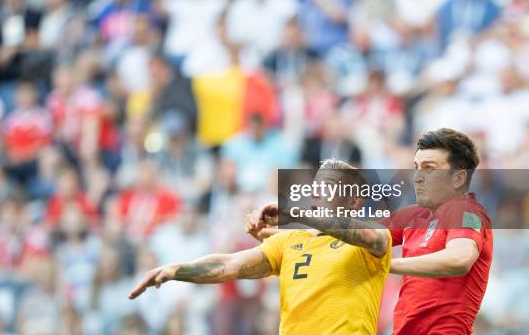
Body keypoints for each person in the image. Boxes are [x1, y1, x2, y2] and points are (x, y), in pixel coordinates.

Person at [248, 127, 493, 335]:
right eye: (416, 166)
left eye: (429, 168)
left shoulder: (465, 210)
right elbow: (355, 236)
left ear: (459, 178)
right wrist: (281, 235)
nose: (417, 176)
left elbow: (459, 259)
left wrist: (384, 264)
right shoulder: (412, 215)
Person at [129, 159, 391, 335]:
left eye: (329, 187)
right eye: (316, 187)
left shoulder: (373, 236)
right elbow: (229, 266)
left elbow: (360, 234)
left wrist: (295, 213)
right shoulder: (289, 241)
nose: (318, 193)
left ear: (356, 201)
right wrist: (177, 270)